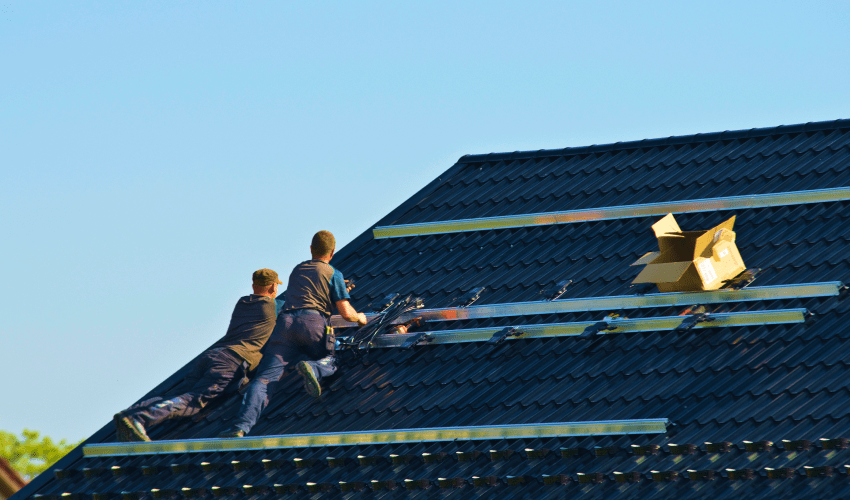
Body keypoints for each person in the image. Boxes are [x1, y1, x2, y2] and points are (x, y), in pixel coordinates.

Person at [219, 230, 367, 438]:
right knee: (332, 358)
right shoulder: (334, 273)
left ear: (311, 249)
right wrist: (360, 317)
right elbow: (346, 313)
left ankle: (240, 427)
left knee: (264, 379)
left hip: (286, 325)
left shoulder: (298, 270)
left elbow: (300, 298)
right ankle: (314, 368)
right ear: (332, 252)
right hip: (312, 325)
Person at [113, 269, 283, 442]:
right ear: (273, 287)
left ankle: (129, 414)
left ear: (254, 285)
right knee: (193, 400)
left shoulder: (243, 302)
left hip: (212, 355)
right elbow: (290, 308)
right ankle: (140, 417)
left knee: (176, 394)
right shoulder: (270, 306)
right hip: (230, 362)